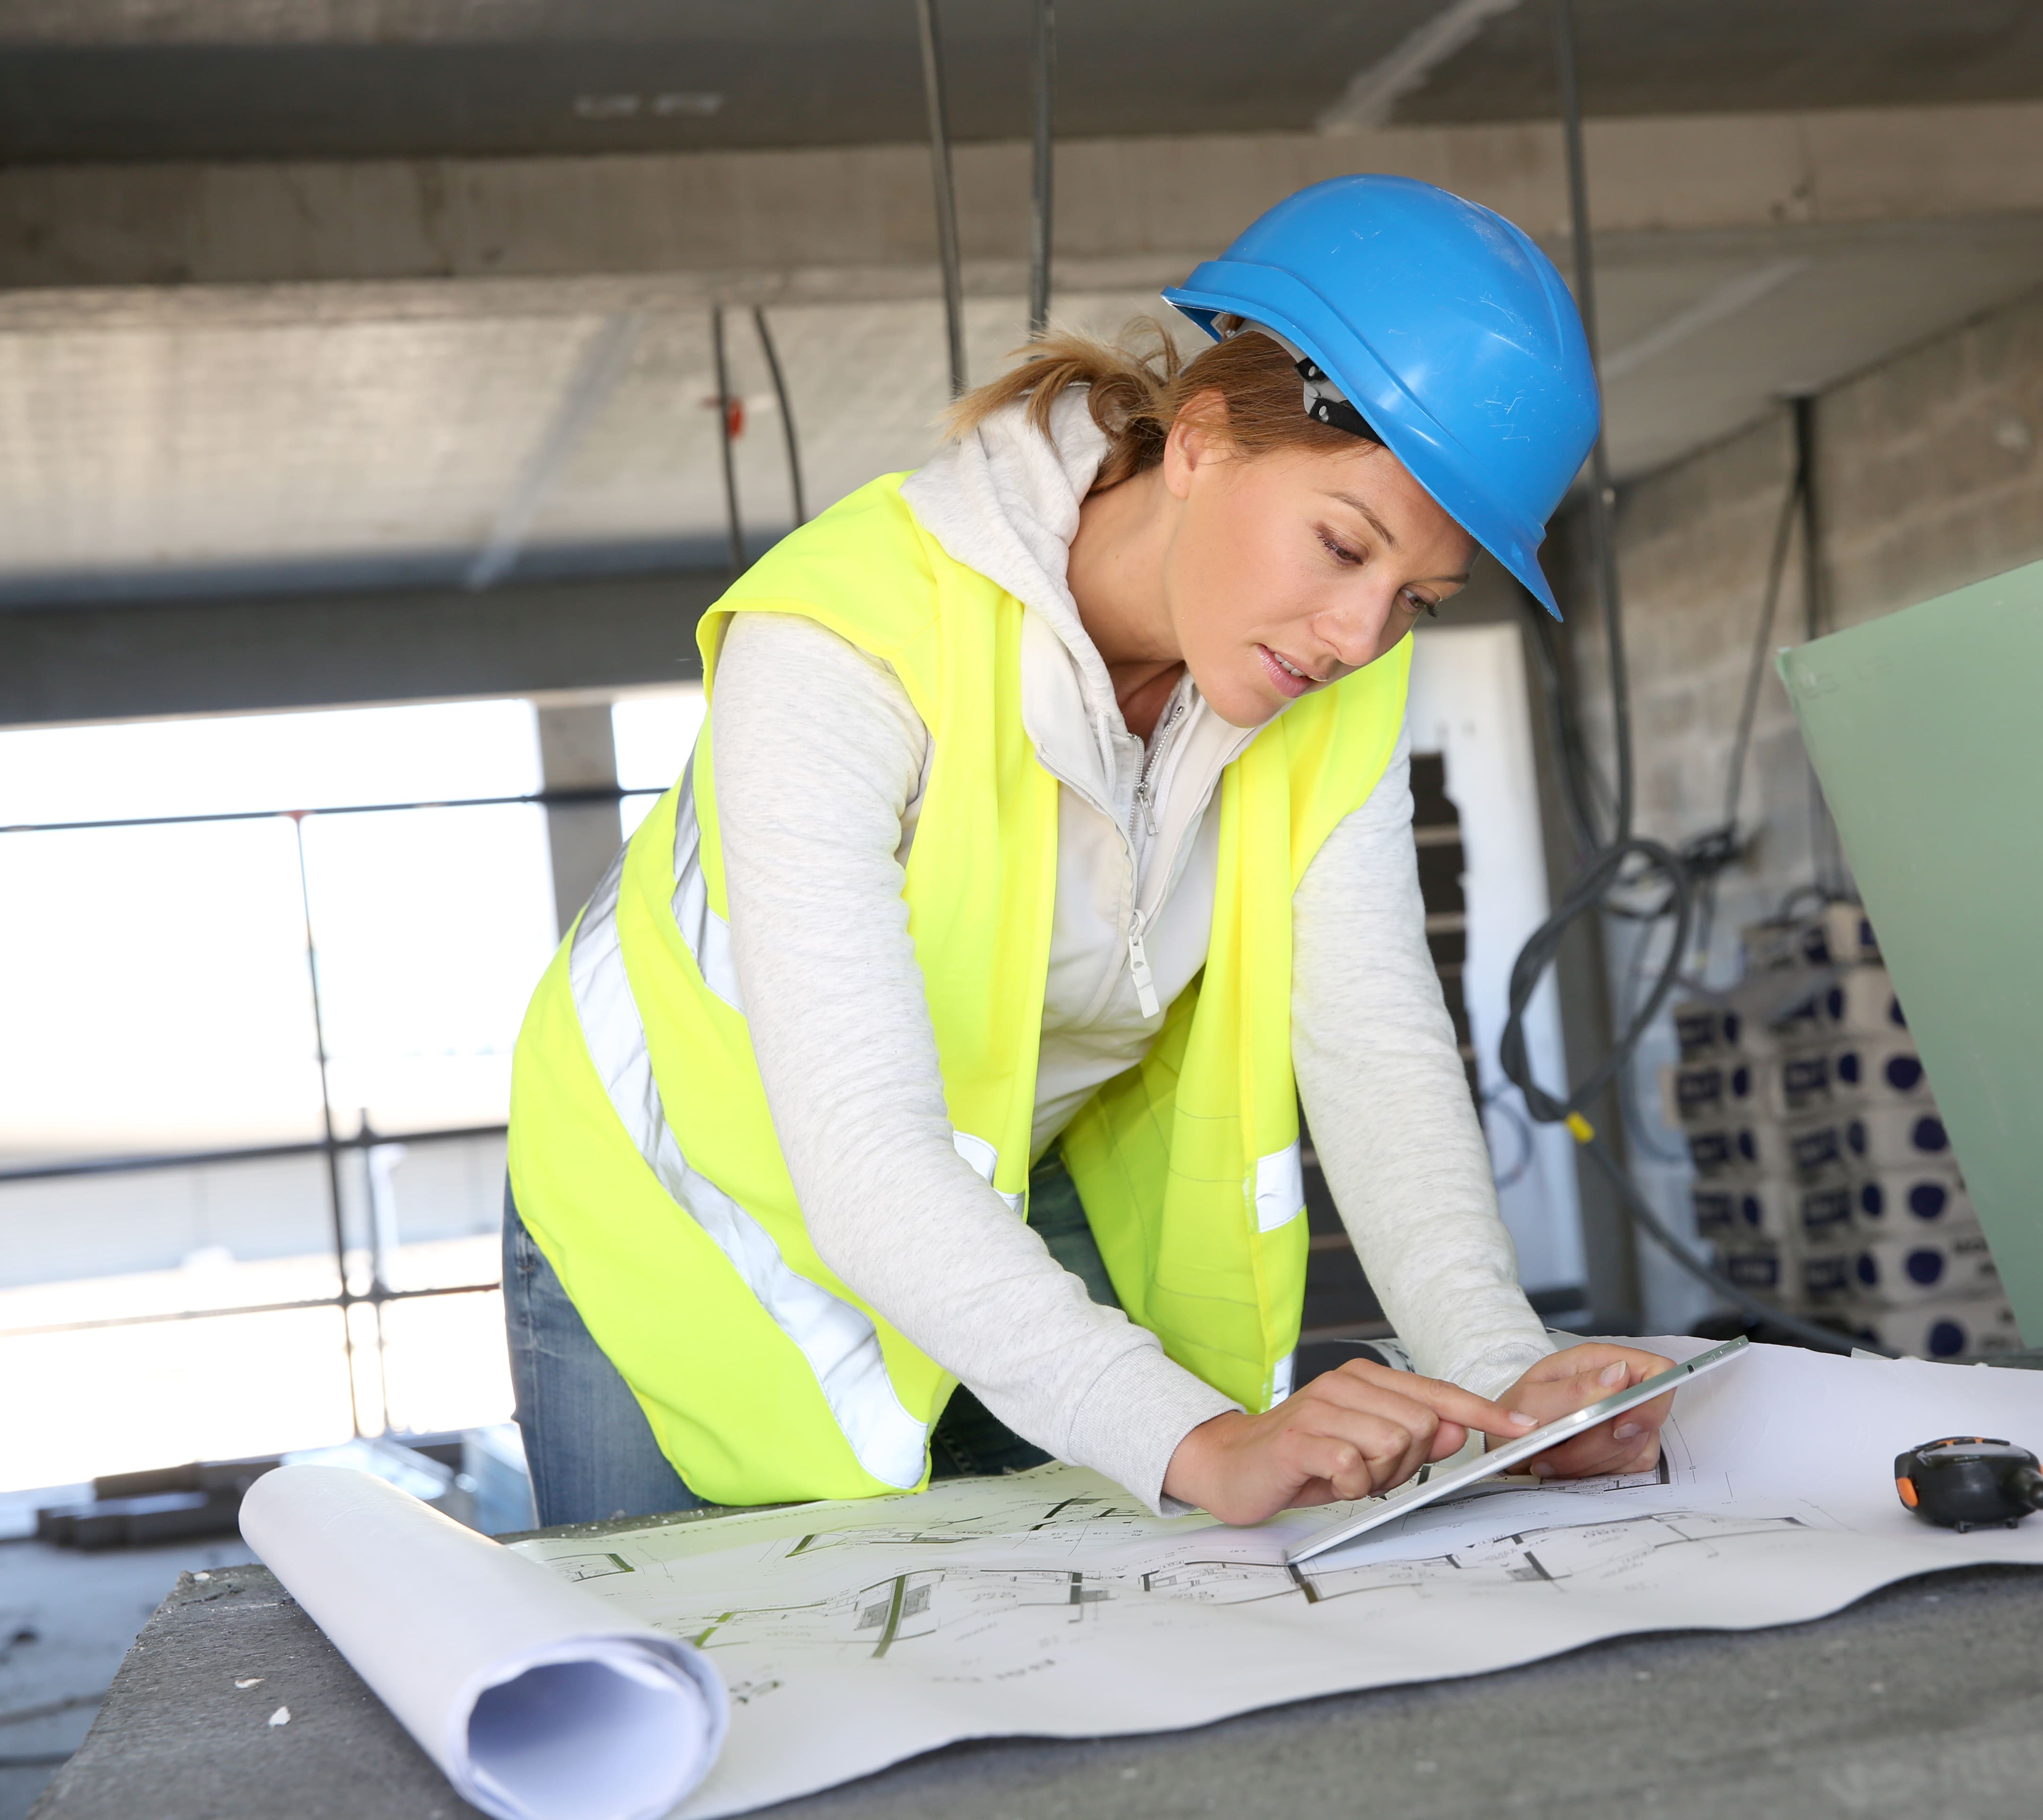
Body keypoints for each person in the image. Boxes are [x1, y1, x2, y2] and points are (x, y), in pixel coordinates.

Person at [502, 173, 1677, 1529]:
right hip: (673, 1202)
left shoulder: (1324, 686)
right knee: (707, 1672)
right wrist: (1195, 1437)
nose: (1358, 637)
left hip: (992, 1173)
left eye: (1413, 598)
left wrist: (1504, 1381)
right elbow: (864, 1155)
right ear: (1199, 441)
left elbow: (1375, 1048)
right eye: (1340, 546)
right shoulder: (838, 644)